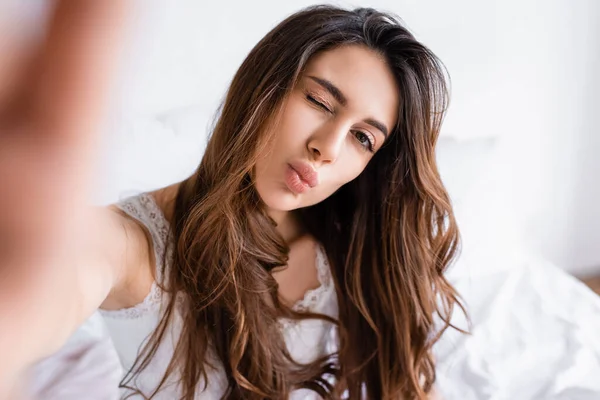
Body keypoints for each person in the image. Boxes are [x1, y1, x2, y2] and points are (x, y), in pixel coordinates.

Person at [0, 2, 465, 399]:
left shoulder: (361, 250)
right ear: (264, 85)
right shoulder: (133, 244)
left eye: (363, 138)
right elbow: (57, 284)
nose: (329, 146)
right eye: (320, 102)